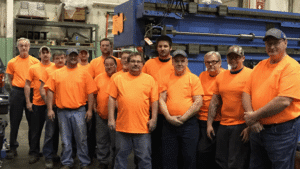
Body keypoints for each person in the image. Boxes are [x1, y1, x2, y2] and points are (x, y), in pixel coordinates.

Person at [242, 28, 300, 169]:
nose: (272, 47)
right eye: (268, 44)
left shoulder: (292, 67)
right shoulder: (260, 65)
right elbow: (245, 92)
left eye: (276, 43)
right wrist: (253, 120)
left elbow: (284, 100)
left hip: (281, 131)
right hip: (258, 129)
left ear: (285, 43)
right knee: (256, 165)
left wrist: (253, 116)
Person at [142, 35, 189, 169]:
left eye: (165, 46)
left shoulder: (176, 63)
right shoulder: (149, 64)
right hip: (154, 112)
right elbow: (142, 82)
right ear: (156, 48)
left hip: (171, 114)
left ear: (170, 48)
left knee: (172, 147)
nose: (162, 49)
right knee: (155, 144)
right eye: (160, 46)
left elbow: (186, 81)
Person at [45, 48, 97, 169]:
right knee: (65, 140)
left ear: (78, 57)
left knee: (82, 139)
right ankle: (67, 162)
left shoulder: (85, 73)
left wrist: (89, 110)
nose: (73, 58)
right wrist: (49, 109)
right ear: (66, 57)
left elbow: (90, 93)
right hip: (62, 111)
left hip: (79, 111)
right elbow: (50, 91)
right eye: (70, 56)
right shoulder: (57, 73)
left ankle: (84, 162)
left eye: (75, 55)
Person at [107, 52, 158, 169]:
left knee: (144, 159)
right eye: (133, 61)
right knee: (120, 158)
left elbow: (154, 101)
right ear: (127, 63)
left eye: (138, 61)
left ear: (143, 64)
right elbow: (111, 98)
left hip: (143, 128)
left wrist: (154, 119)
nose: (136, 64)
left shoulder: (150, 80)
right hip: (122, 127)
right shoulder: (118, 79)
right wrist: (111, 118)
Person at [207, 45, 252, 169]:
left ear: (243, 58)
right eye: (230, 57)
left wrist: (249, 127)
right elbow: (215, 101)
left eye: (236, 57)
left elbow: (256, 101)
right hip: (224, 125)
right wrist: (209, 124)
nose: (233, 60)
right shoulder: (221, 76)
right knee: (220, 160)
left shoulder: (251, 74)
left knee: (236, 162)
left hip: (241, 125)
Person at [159, 49, 203, 169]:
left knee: (189, 158)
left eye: (182, 61)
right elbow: (161, 99)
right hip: (169, 125)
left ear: (187, 62)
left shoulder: (193, 79)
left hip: (189, 124)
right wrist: (168, 117)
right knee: (168, 158)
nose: (179, 64)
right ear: (172, 62)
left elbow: (198, 102)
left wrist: (183, 118)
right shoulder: (166, 78)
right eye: (177, 61)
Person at [5, 37, 40, 159]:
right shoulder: (12, 62)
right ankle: (13, 148)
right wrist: (16, 88)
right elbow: (9, 78)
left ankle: (33, 149)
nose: (24, 47)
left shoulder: (35, 61)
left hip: (32, 92)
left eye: (26, 45)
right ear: (18, 47)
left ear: (29, 47)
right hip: (17, 92)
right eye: (21, 45)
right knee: (14, 122)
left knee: (33, 123)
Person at [24, 46, 54, 164]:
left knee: (52, 131)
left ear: (50, 54)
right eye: (43, 53)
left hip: (52, 105)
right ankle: (33, 152)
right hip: (37, 103)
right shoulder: (33, 68)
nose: (45, 55)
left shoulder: (55, 67)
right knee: (35, 130)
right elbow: (27, 85)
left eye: (47, 53)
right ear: (39, 55)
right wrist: (28, 102)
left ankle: (52, 152)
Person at [197, 51, 224, 169]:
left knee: (217, 153)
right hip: (201, 119)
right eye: (208, 62)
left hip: (219, 121)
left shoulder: (226, 76)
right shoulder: (202, 75)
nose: (211, 65)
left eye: (214, 62)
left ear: (220, 62)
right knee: (202, 153)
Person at [40, 51, 66, 169]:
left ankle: (65, 157)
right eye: (57, 58)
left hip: (65, 109)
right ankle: (49, 157)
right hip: (52, 108)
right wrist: (49, 105)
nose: (60, 60)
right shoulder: (48, 71)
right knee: (50, 133)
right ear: (53, 60)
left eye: (62, 58)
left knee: (65, 135)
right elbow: (42, 89)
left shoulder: (68, 70)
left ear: (65, 59)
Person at [94, 56, 117, 169]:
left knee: (115, 141)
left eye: (111, 64)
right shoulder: (98, 78)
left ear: (116, 66)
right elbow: (93, 94)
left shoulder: (120, 77)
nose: (108, 67)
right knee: (101, 140)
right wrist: (94, 107)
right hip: (101, 115)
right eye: (106, 65)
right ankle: (103, 161)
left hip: (117, 117)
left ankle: (114, 162)